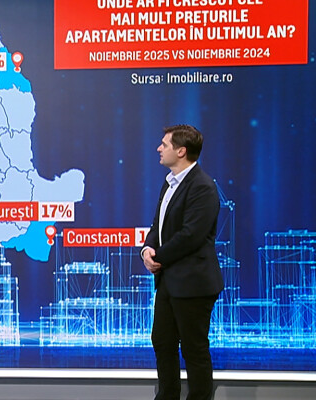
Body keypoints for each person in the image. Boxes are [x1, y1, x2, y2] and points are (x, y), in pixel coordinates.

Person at [140, 124, 224, 400]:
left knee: (193, 349)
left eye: (164, 144)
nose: (159, 148)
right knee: (162, 342)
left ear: (181, 151)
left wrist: (159, 257)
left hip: (194, 283)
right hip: (168, 281)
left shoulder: (203, 187)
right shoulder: (169, 182)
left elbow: (191, 236)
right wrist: (147, 249)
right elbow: (158, 225)